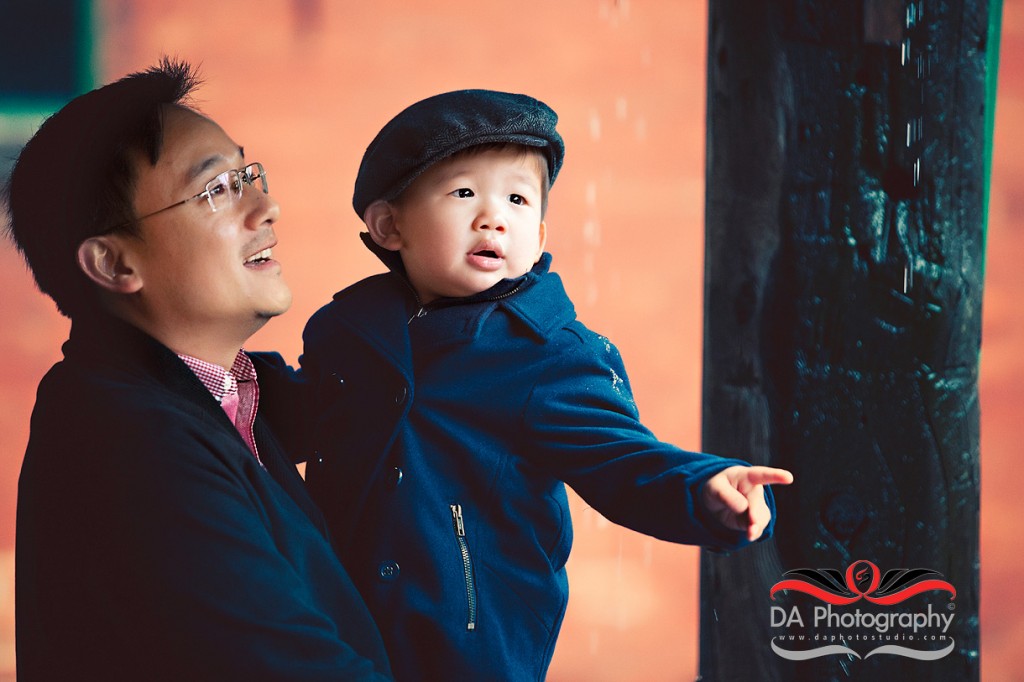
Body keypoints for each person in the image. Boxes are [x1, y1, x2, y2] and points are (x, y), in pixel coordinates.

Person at [297, 89, 794, 681]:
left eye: (517, 198)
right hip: (337, 628)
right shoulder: (346, 334)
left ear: (537, 234)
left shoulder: (550, 357)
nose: (493, 216)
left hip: (471, 648)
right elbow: (304, 413)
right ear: (389, 226)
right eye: (463, 193)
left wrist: (702, 488)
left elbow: (623, 459)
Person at [5, 58, 392, 681]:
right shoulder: (128, 442)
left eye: (249, 176)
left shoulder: (227, 396)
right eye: (217, 190)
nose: (266, 207)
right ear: (112, 263)